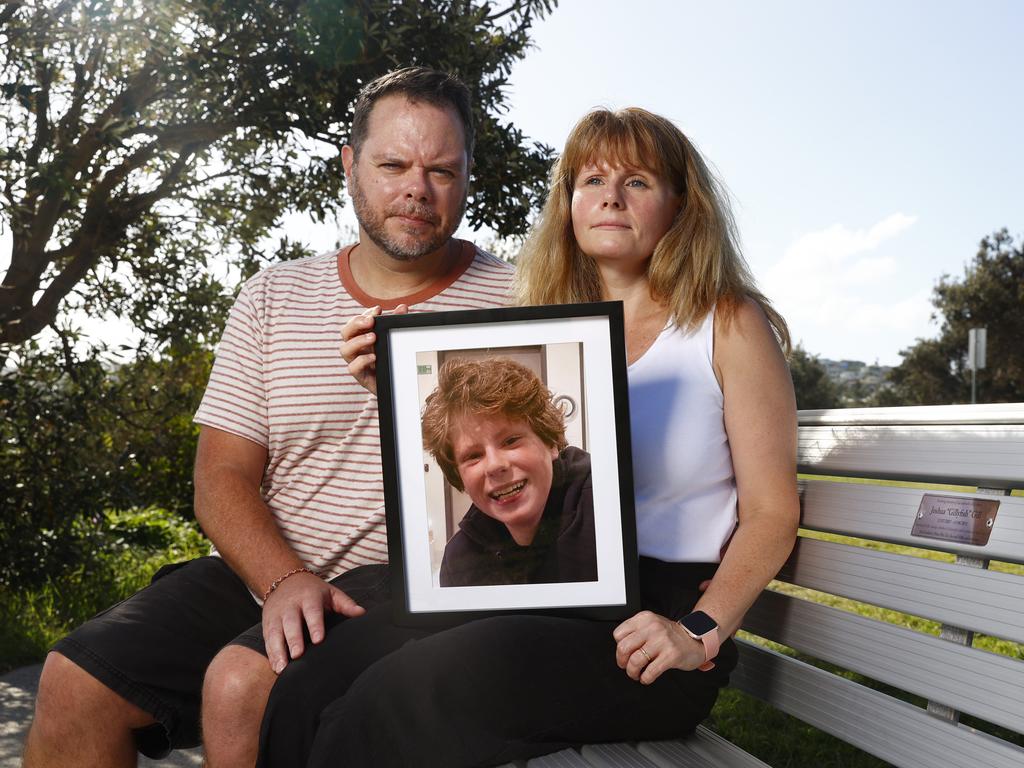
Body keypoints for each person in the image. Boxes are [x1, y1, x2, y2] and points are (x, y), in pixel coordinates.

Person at [256, 106, 799, 767]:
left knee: (400, 696)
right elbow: (473, 445)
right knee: (310, 683)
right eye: (591, 180)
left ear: (680, 203)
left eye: (637, 181)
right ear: (568, 201)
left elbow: (773, 513)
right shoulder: (540, 324)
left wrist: (700, 632)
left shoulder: (726, 322)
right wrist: (392, 386)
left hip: (652, 629)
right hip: (541, 595)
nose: (610, 197)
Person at [22, 66, 514, 768]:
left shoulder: (523, 299)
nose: (417, 188)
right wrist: (282, 580)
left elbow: (536, 467)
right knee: (72, 683)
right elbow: (221, 476)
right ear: (350, 166)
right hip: (261, 572)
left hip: (410, 589)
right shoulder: (272, 297)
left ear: (468, 175)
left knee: (249, 688)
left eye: (442, 169)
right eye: (393, 164)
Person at [421, 356, 597, 587]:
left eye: (511, 441)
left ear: (551, 443)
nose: (495, 465)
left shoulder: (608, 503)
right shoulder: (459, 561)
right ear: (459, 476)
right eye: (473, 456)